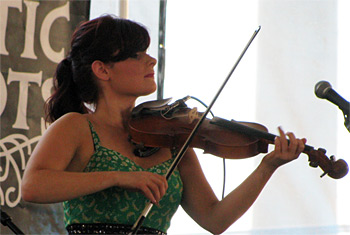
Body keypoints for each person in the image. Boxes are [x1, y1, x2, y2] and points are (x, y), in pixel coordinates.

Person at [21, 14, 306, 234]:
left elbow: (214, 219)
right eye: (136, 54)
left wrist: (267, 166)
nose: (151, 59)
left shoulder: (172, 139)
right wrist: (119, 177)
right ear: (102, 69)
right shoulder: (77, 127)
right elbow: (33, 185)